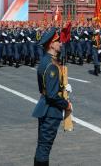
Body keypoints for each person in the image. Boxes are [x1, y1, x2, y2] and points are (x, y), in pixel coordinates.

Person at [32, 28, 73, 166]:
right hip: (50, 111)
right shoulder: (52, 66)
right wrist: (66, 104)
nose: (60, 44)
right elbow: (52, 95)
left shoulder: (45, 61)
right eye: (57, 41)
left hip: (45, 107)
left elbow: (43, 89)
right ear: (51, 45)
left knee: (42, 145)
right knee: (45, 147)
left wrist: (62, 86)